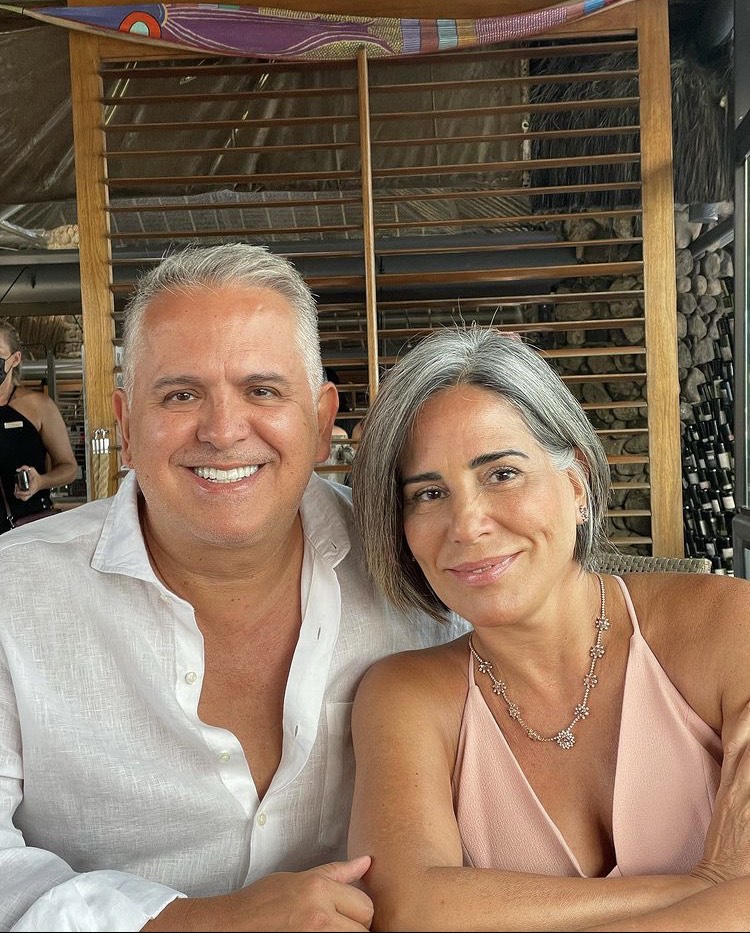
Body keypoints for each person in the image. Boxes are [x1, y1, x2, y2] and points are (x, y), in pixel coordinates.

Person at [0, 244, 465, 932]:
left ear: (321, 421)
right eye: (181, 395)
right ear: (125, 426)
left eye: (262, 391)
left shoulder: (419, 572)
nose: (222, 431)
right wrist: (204, 923)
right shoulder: (13, 594)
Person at [348, 325, 750, 931]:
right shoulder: (405, 696)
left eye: (502, 474)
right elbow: (410, 912)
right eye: (428, 494)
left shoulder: (727, 624)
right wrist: (707, 888)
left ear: (576, 483)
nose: (468, 524)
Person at [0, 319, 77, 532]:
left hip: (27, 527)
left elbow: (69, 468)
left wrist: (40, 481)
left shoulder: (38, 406)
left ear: (15, 359)